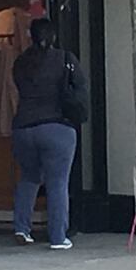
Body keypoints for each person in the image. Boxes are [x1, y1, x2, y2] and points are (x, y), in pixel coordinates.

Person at [10, 17, 82, 251]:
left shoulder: (21, 63)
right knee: (57, 182)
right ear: (53, 37)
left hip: (23, 127)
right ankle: (58, 236)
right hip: (56, 126)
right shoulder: (64, 59)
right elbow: (80, 87)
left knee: (29, 177)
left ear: (31, 36)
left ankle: (22, 227)